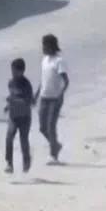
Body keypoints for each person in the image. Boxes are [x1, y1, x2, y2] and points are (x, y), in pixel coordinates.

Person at [36, 33, 69, 164]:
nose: (42, 48)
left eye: (44, 45)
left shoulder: (59, 62)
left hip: (55, 99)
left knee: (51, 127)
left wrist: (61, 94)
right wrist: (36, 95)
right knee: (42, 128)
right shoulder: (44, 60)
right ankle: (55, 145)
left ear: (51, 46)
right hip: (44, 97)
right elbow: (43, 79)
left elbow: (66, 81)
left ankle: (53, 156)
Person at [4, 58, 35, 174]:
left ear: (22, 71)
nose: (13, 73)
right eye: (12, 71)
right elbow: (11, 96)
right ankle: (9, 163)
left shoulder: (26, 85)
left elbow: (28, 102)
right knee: (9, 138)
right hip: (13, 116)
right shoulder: (11, 83)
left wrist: (14, 100)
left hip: (24, 117)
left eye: (15, 71)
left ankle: (26, 160)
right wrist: (8, 105)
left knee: (23, 141)